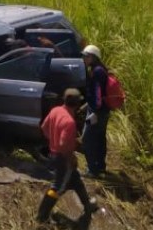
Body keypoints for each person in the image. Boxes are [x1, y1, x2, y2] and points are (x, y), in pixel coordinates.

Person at [36, 88, 98, 223]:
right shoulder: (69, 122)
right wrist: (71, 158)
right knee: (57, 188)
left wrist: (54, 139)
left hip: (54, 154)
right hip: (62, 160)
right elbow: (63, 145)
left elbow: (44, 128)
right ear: (77, 104)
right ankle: (42, 216)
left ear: (64, 100)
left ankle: (88, 205)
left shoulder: (56, 110)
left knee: (76, 180)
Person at [81, 44, 110, 177]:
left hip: (97, 111)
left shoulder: (97, 72)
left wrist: (95, 112)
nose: (84, 58)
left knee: (87, 139)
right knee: (99, 138)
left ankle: (92, 170)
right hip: (102, 111)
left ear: (93, 57)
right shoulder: (100, 69)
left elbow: (97, 93)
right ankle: (100, 167)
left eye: (86, 56)